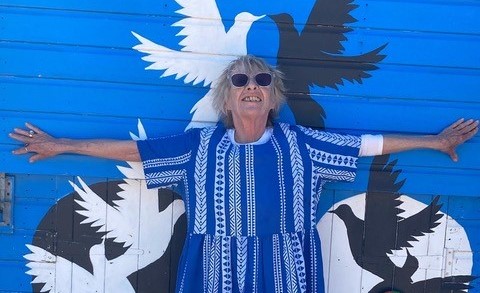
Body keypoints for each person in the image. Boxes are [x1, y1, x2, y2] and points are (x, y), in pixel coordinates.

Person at [10, 55, 478, 293]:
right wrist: (64, 145)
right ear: (226, 98)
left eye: (261, 82)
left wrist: (435, 141)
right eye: (240, 81)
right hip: (214, 268)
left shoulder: (302, 144)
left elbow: (369, 144)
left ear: (273, 98)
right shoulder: (197, 147)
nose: (251, 87)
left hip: (286, 269)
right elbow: (133, 149)